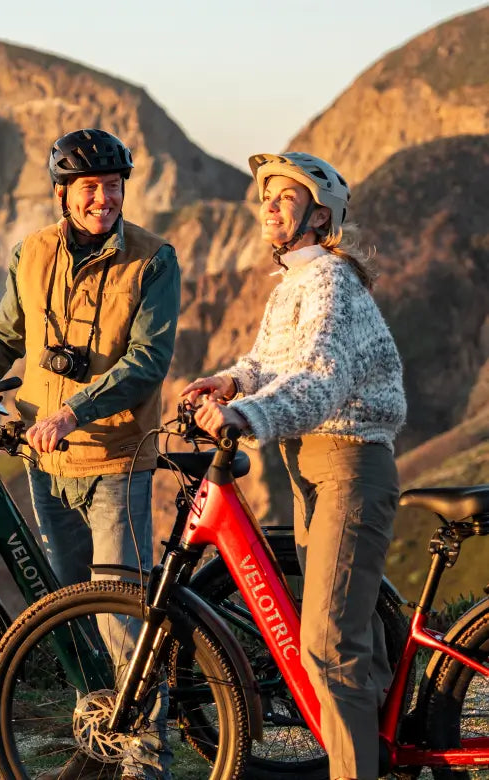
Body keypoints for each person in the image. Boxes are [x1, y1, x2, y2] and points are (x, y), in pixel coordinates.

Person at [0, 128, 180, 780]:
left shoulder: (153, 260)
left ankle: (146, 760)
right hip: (46, 465)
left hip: (116, 459)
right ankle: (101, 741)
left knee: (122, 614)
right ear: (64, 193)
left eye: (114, 185)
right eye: (90, 187)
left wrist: (75, 410)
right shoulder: (32, 253)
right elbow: (3, 333)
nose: (104, 198)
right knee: (69, 611)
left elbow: (148, 361)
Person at [182, 152, 406, 780]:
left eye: (284, 196)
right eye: (266, 197)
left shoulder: (331, 280)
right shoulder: (294, 285)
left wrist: (245, 418)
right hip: (314, 468)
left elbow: (321, 377)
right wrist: (229, 382)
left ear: (319, 213)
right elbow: (271, 362)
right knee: (342, 633)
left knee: (329, 646)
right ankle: (387, 754)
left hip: (349, 465)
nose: (269, 206)